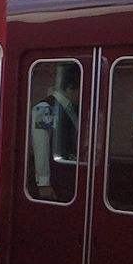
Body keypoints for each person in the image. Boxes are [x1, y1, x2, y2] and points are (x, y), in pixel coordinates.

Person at [31, 67, 80, 201]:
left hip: (65, 176)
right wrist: (44, 182)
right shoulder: (45, 108)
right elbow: (41, 145)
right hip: (55, 178)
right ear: (70, 87)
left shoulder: (71, 108)